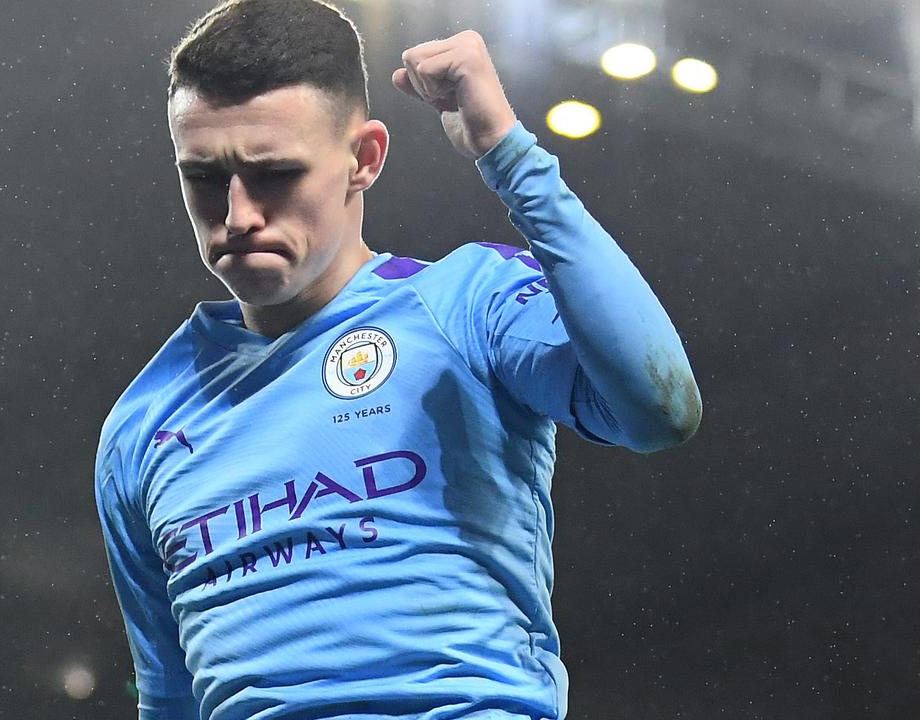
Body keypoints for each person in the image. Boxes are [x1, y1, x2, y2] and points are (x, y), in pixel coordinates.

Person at [94, 0, 702, 717]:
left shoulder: (467, 304)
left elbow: (659, 411)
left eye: (275, 174)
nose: (238, 216)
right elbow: (169, 700)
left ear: (364, 159)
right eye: (203, 177)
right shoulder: (142, 424)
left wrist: (509, 152)